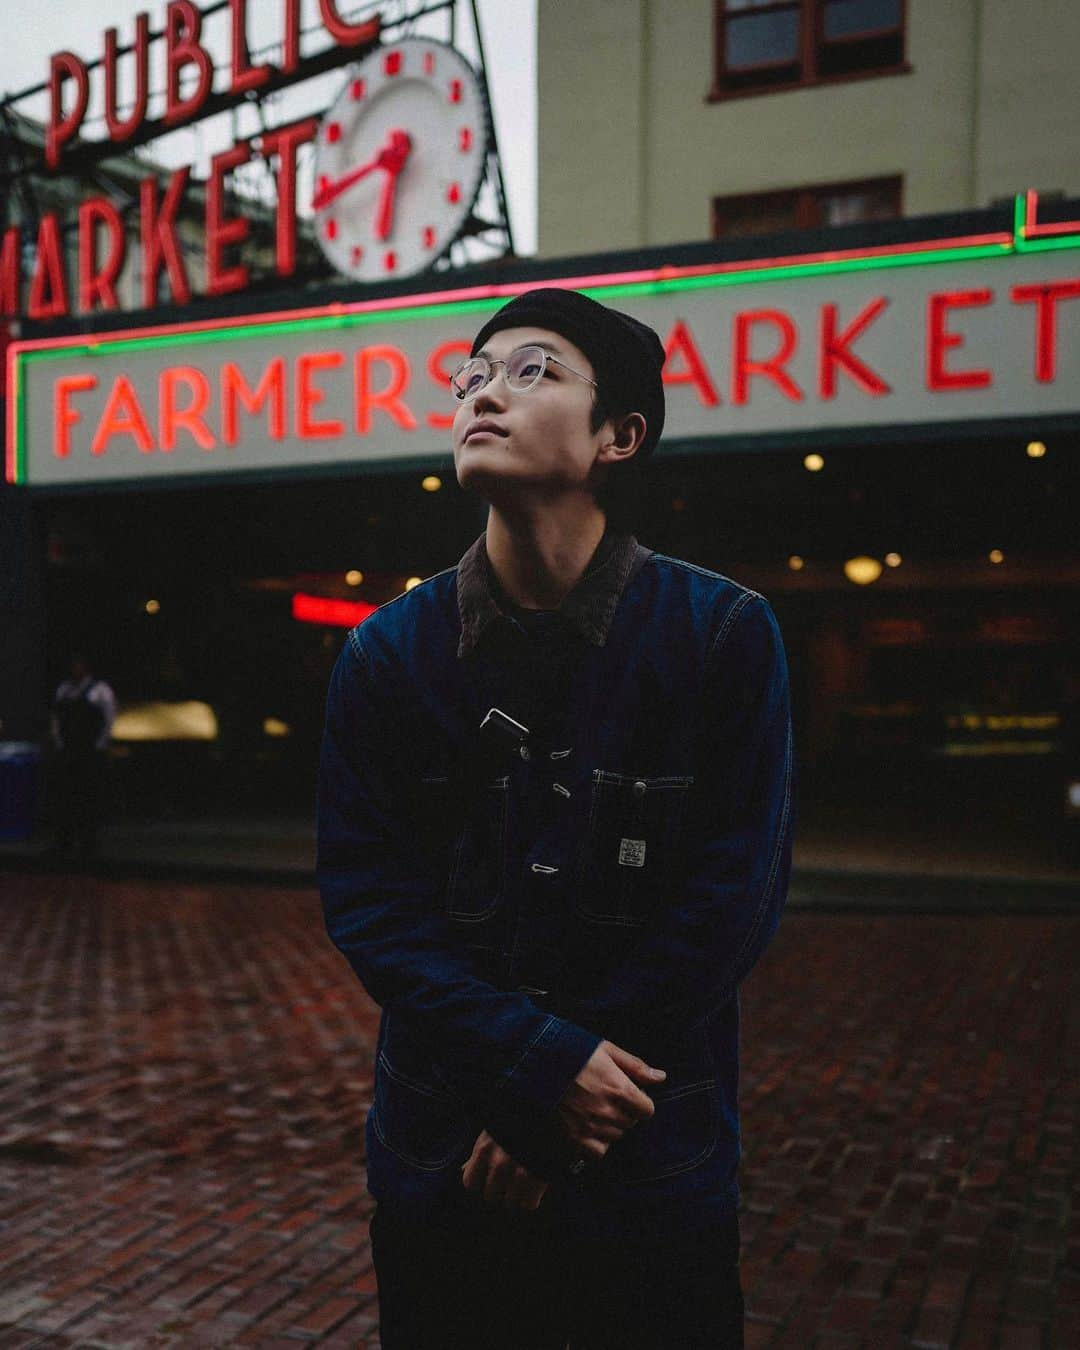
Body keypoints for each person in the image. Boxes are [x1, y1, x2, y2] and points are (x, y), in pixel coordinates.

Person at [316, 287, 795, 1349]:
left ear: (620, 434)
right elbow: (371, 906)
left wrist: (549, 1114)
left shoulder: (721, 636)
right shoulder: (386, 655)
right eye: (472, 373)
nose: (485, 390)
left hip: (644, 1177)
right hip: (445, 1161)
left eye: (534, 370)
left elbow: (731, 901)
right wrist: (536, 1072)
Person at [51, 651, 116, 859]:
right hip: (69, 750)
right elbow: (57, 719)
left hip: (90, 751)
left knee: (88, 796)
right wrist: (59, 742)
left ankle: (88, 842)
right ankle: (65, 841)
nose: (75, 669)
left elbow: (109, 718)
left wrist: (100, 744)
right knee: (66, 797)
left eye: (79, 665)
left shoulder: (99, 691)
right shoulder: (64, 690)